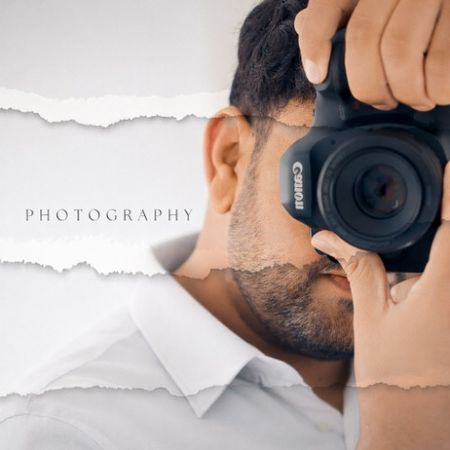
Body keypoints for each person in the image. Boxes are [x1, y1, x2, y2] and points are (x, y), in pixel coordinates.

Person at [1, 0, 450, 448]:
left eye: (417, 178)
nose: (371, 240)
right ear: (230, 159)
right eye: (343, 177)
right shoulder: (65, 430)